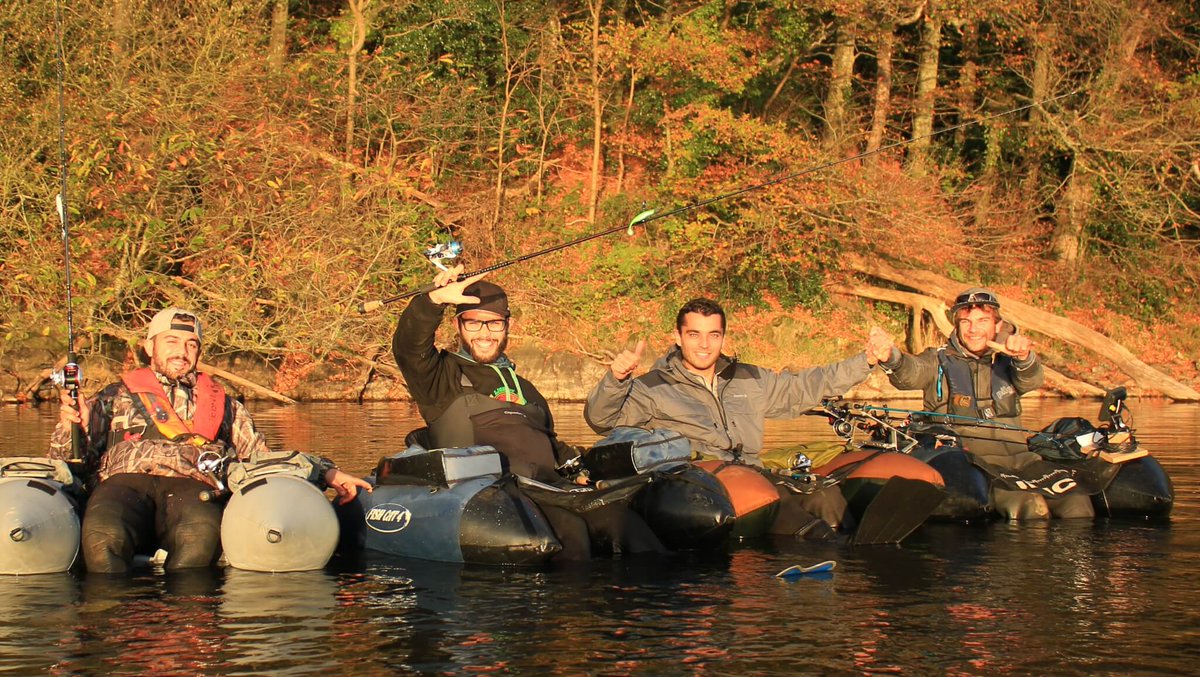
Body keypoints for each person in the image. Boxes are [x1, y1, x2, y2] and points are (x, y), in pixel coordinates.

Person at [49, 307, 372, 573]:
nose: (182, 351)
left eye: (191, 344)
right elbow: (67, 461)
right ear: (150, 347)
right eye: (171, 341)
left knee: (198, 539)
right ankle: (111, 622)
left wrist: (328, 473)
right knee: (104, 537)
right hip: (125, 484)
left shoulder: (226, 404)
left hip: (195, 487)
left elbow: (261, 459)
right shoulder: (112, 396)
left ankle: (190, 627)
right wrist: (71, 425)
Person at [392, 265, 666, 559]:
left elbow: (551, 444)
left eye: (494, 324)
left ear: (507, 326)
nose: (485, 333)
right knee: (572, 533)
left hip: (553, 488)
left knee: (632, 529)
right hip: (498, 494)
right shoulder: (439, 376)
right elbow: (408, 348)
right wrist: (432, 302)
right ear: (458, 326)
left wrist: (586, 469)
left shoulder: (527, 388)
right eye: (473, 323)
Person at [585, 297, 898, 535]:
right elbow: (602, 420)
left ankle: (856, 566)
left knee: (825, 495)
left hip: (754, 470)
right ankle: (815, 548)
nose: (704, 345)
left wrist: (865, 361)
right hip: (701, 485)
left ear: (723, 337)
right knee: (786, 508)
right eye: (694, 335)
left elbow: (805, 387)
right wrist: (616, 379)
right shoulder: (651, 387)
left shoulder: (748, 377)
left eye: (713, 335)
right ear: (678, 337)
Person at [877, 287, 1094, 519]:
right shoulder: (936, 360)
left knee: (1078, 503)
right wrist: (891, 357)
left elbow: (1032, 379)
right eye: (966, 322)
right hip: (976, 465)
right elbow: (910, 373)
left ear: (997, 325)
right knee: (1030, 506)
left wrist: (1024, 358)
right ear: (956, 325)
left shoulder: (1010, 359)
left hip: (1025, 462)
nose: (973, 329)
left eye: (982, 320)